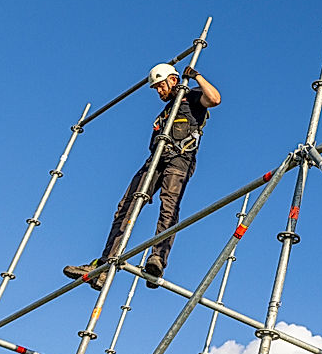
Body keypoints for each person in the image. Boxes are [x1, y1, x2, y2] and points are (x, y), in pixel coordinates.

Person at [64, 63, 221, 290]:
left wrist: (196, 76)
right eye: (155, 88)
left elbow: (215, 99)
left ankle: (157, 259)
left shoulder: (193, 97)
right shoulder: (165, 112)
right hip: (155, 161)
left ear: (173, 80)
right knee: (125, 207)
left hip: (179, 160)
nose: (158, 91)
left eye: (160, 86)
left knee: (168, 207)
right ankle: (106, 263)